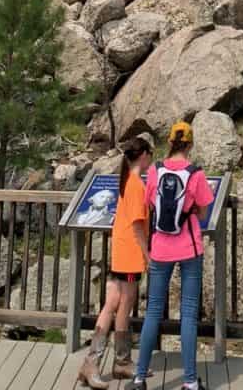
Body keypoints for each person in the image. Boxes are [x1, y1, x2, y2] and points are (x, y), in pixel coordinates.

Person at [127, 121, 214, 390]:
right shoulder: (196, 174)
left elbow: (149, 204)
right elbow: (202, 213)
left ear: (170, 142)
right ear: (189, 144)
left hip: (160, 248)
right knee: (188, 313)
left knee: (152, 311)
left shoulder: (154, 170)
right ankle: (189, 382)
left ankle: (140, 377)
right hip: (189, 247)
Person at [78, 137, 153, 389]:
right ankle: (104, 361)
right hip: (131, 254)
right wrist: (147, 254)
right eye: (150, 154)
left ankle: (112, 362)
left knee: (115, 303)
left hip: (121, 251)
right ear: (143, 155)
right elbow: (137, 226)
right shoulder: (135, 185)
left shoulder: (127, 182)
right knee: (121, 304)